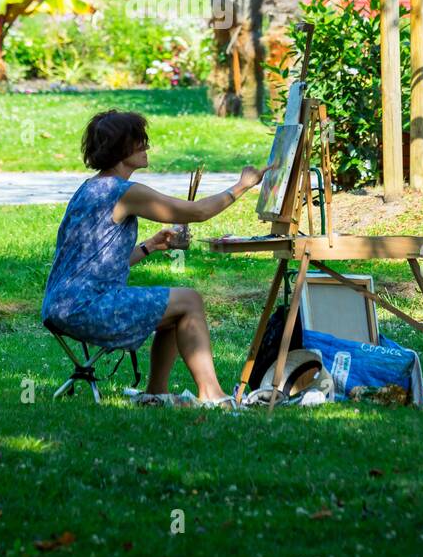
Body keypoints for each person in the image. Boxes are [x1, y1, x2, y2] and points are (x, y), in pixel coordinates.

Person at [41, 110, 267, 408]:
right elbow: (196, 212)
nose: (146, 147)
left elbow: (96, 263)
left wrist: (149, 246)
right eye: (141, 142)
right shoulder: (125, 192)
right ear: (123, 149)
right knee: (190, 300)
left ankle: (156, 394)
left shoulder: (89, 188)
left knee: (174, 307)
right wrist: (243, 185)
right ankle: (213, 395)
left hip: (60, 305)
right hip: (87, 307)